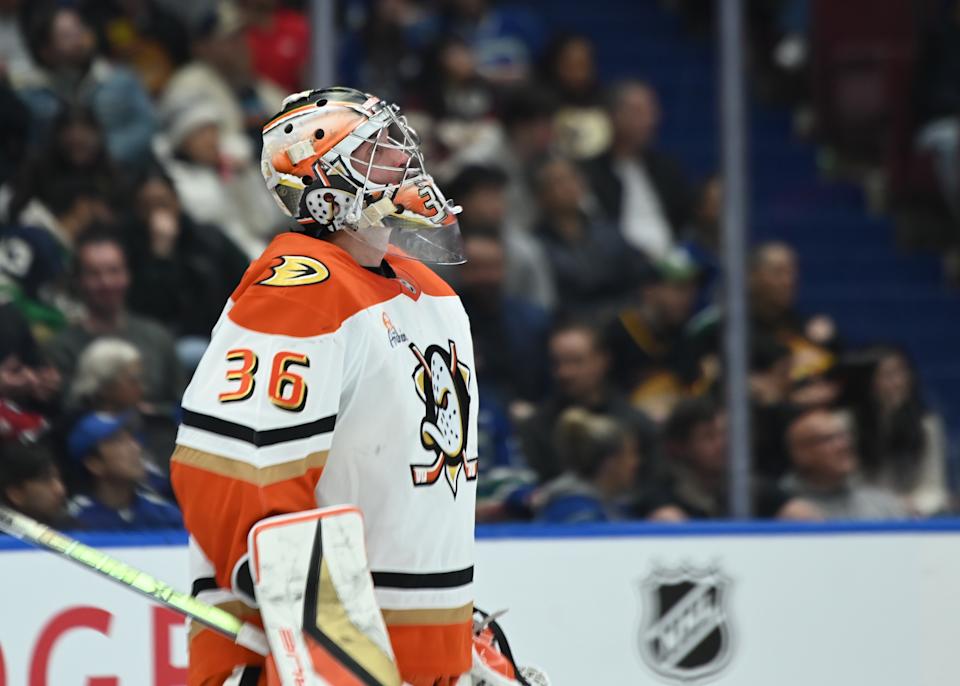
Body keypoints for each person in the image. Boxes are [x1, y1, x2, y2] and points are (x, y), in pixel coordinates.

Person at [169, 87, 485, 685]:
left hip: (422, 655)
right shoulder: (296, 293)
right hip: (310, 661)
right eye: (377, 147)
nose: (403, 156)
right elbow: (234, 467)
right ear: (325, 182)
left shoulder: (434, 295)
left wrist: (455, 632)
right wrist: (315, 631)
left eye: (398, 140)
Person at [44, 229, 185, 417]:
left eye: (114, 271)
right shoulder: (61, 349)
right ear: (78, 281)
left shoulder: (157, 337)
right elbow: (66, 412)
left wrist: (153, 412)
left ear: (127, 275)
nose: (106, 282)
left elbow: (183, 403)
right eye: (94, 274)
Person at [520, 319, 659, 484]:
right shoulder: (537, 426)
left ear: (603, 360)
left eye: (575, 361)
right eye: (557, 363)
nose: (565, 373)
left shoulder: (635, 423)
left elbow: (655, 482)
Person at [644, 397, 822, 521]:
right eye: (709, 437)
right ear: (680, 447)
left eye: (727, 434)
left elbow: (803, 515)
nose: (724, 444)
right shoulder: (662, 493)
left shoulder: (752, 488)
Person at [847, 346, 950, 516]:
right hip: (859, 515)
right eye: (887, 375)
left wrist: (919, 504)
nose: (898, 382)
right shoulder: (844, 423)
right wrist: (887, 505)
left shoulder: (926, 424)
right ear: (867, 380)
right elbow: (846, 487)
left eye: (902, 373)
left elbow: (934, 486)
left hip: (911, 514)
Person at [781, 409, 907, 520]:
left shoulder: (884, 506)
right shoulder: (779, 506)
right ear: (801, 453)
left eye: (843, 436)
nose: (843, 445)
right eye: (828, 439)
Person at [66, 411, 182, 530]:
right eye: (118, 441)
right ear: (94, 464)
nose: (135, 448)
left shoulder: (164, 514)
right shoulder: (74, 519)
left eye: (131, 438)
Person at [534, 408, 641, 523]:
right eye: (630, 454)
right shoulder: (575, 512)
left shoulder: (615, 504)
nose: (636, 462)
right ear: (610, 462)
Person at [0, 439, 72, 528]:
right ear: (16, 494)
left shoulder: (76, 529)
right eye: (45, 481)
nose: (60, 490)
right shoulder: (5, 539)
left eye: (58, 478)